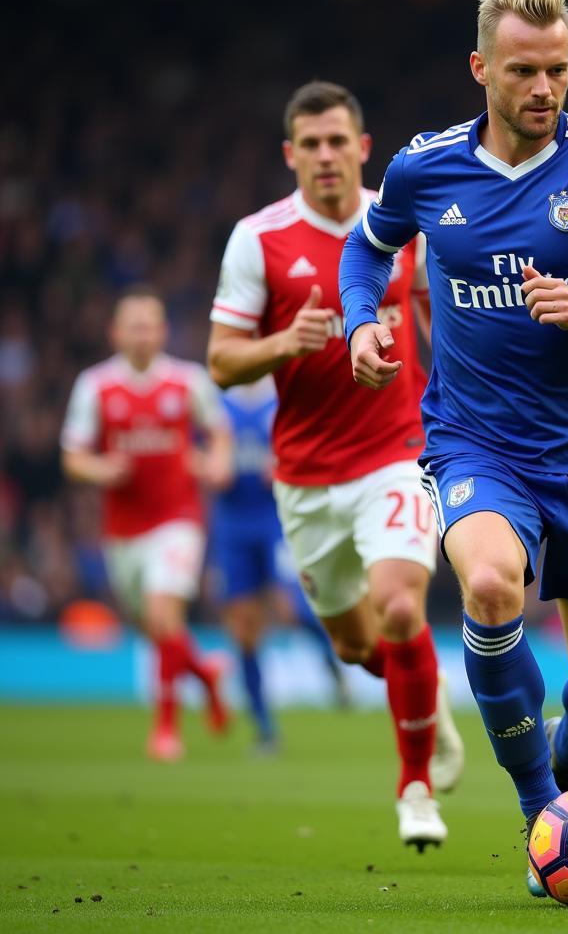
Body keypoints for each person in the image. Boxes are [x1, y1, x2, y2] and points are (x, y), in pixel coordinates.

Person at [339, 0, 568, 894]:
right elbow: (367, 245)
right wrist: (359, 322)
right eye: (524, 72)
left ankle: (566, 769)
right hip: (475, 442)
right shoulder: (426, 167)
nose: (544, 90)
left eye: (559, 71)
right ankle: (544, 814)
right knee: (490, 588)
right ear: (480, 69)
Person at [206, 80, 464, 850]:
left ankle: (414, 786)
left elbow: (438, 310)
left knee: (399, 607)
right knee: (357, 647)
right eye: (309, 144)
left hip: (396, 454)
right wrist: (284, 343)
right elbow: (220, 361)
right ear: (291, 155)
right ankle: (428, 700)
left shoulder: (402, 223)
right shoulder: (259, 239)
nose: (325, 156)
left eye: (337, 141)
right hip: (305, 476)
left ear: (363, 146)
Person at [61, 286, 233, 761]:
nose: (142, 334)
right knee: (156, 628)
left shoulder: (187, 381)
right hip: (122, 531)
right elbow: (73, 457)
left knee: (164, 614)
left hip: (178, 519)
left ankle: (165, 732)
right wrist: (101, 469)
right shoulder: (95, 385)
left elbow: (219, 433)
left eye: (150, 324)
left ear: (164, 331)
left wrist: (217, 463)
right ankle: (206, 677)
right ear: (115, 332)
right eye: (133, 325)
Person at [210, 376, 349, 753]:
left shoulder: (284, 392)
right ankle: (265, 728)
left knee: (291, 607)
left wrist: (289, 464)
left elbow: (318, 442)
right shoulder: (214, 399)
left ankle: (332, 659)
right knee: (244, 628)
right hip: (232, 525)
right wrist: (211, 466)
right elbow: (192, 452)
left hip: (277, 519)